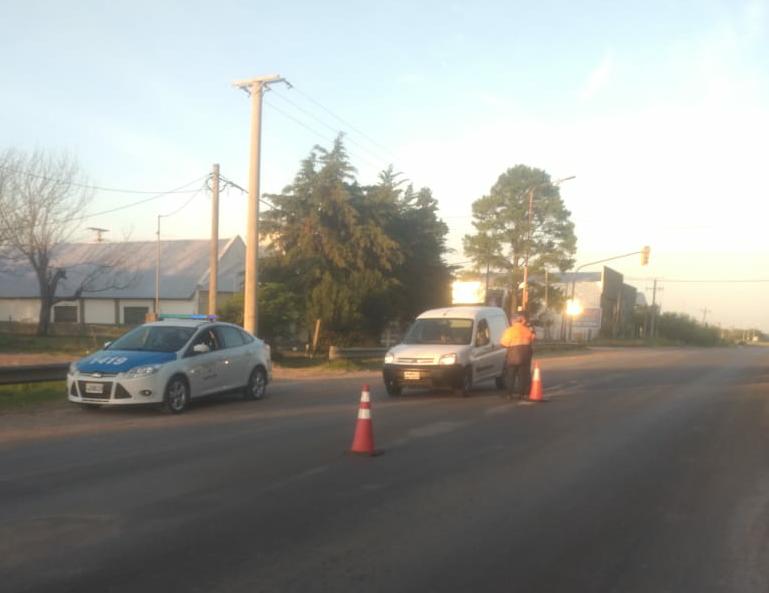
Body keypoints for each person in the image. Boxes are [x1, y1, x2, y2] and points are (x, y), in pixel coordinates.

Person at [500, 313, 536, 399]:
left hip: (513, 355)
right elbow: (532, 338)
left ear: (513, 321)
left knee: (510, 375)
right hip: (525, 355)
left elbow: (503, 343)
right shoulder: (527, 330)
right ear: (521, 321)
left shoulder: (509, 331)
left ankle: (509, 394)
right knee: (523, 376)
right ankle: (522, 394)